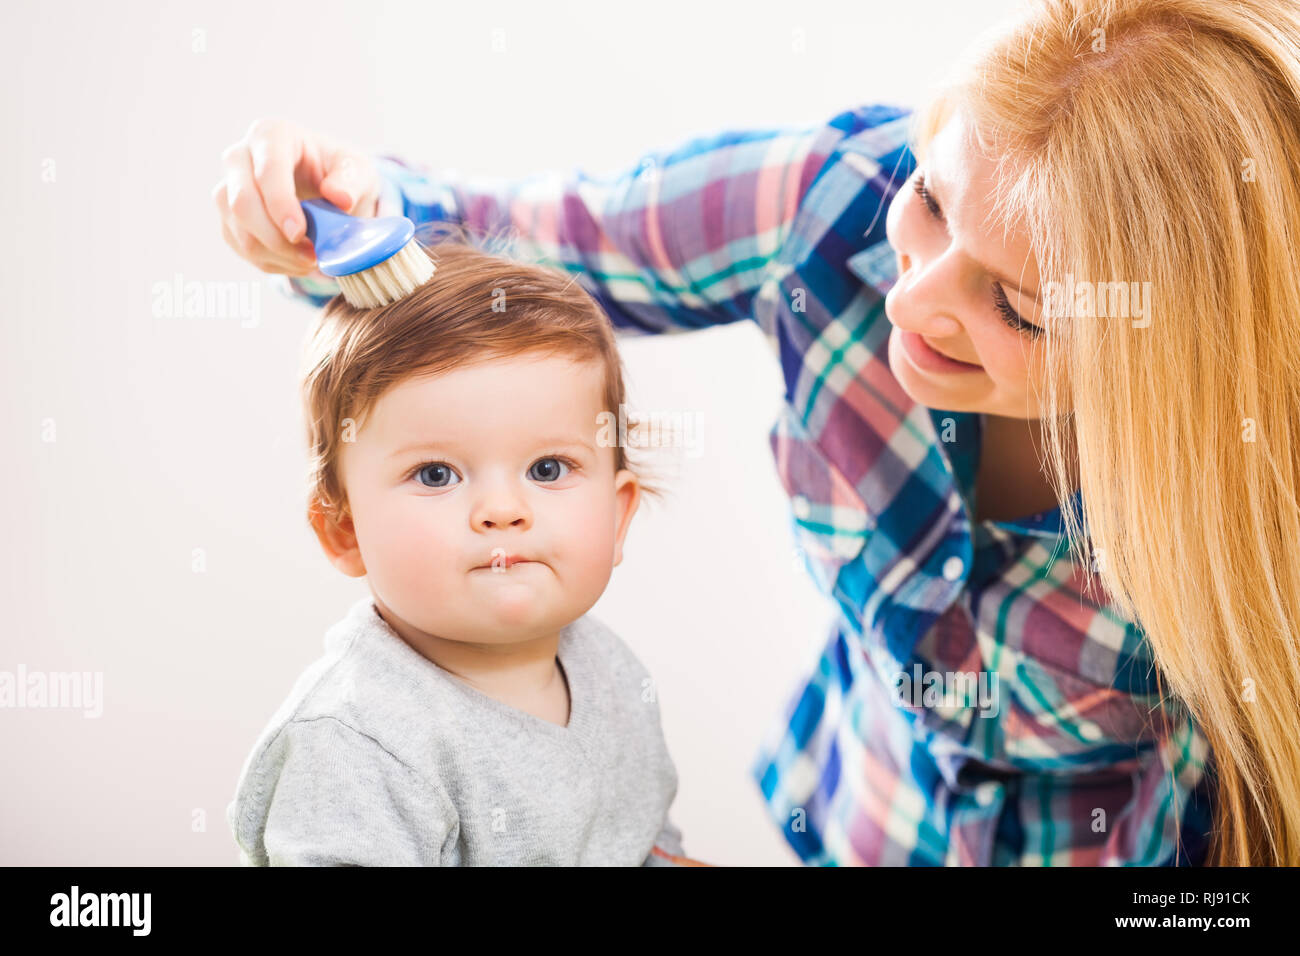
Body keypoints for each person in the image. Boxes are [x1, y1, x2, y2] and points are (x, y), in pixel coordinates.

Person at [215, 0, 1300, 866]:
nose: (912, 300)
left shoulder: (1263, 475)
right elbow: (523, 255)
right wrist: (332, 212)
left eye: (1018, 306)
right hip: (850, 821)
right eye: (929, 200)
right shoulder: (825, 204)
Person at [226, 238, 692, 865]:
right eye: (437, 475)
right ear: (345, 531)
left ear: (618, 515)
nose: (503, 510)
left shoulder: (609, 669)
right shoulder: (356, 746)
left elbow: (641, 838)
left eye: (548, 468)